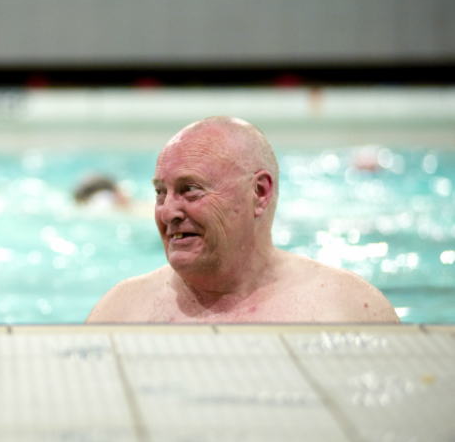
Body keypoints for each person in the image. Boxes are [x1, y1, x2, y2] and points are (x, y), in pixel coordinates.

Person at [87, 116, 399, 323]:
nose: (167, 212)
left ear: (259, 193)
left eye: (190, 189)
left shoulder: (349, 310)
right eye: (160, 193)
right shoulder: (120, 314)